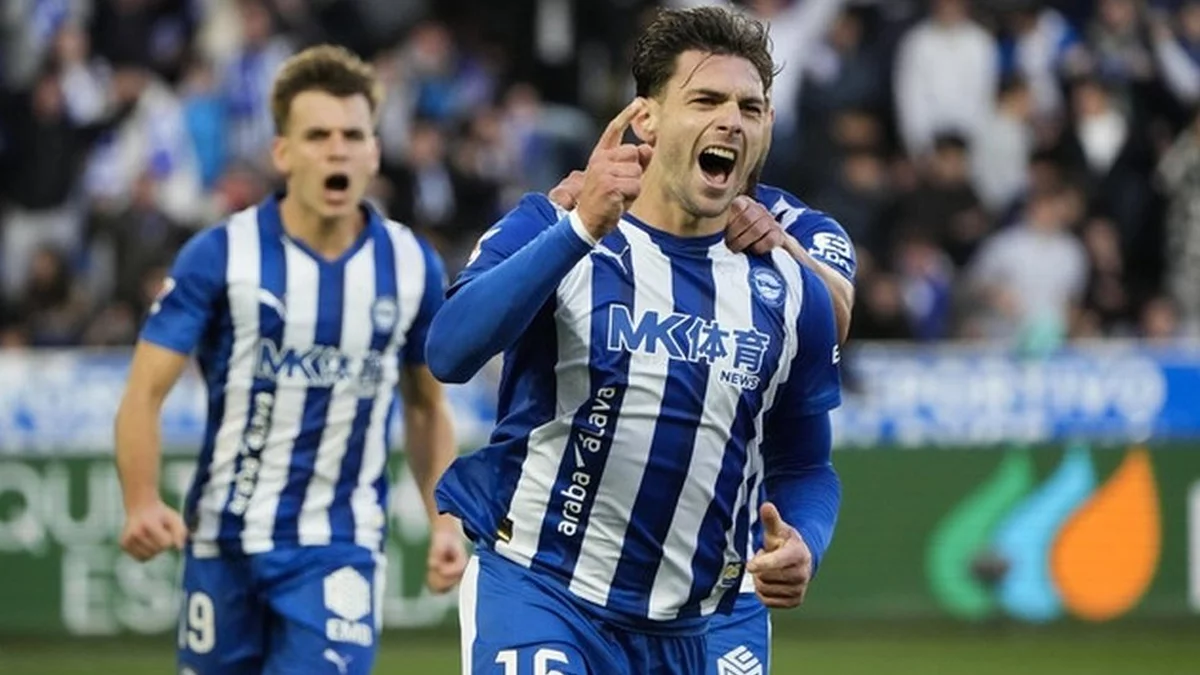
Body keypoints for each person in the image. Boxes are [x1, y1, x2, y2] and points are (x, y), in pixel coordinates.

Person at [428, 7, 843, 674]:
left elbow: (806, 463)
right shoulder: (552, 223)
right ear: (645, 119)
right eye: (705, 100)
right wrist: (580, 228)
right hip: (542, 592)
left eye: (749, 108)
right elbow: (448, 351)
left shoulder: (791, 288)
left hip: (696, 625)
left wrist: (805, 543)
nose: (730, 121)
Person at [113, 45, 467, 675]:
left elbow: (426, 406)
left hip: (339, 545)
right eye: (317, 136)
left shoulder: (411, 264)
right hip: (223, 542)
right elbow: (143, 393)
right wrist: (141, 501)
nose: (337, 151)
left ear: (374, 153)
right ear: (283, 153)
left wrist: (444, 521)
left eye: (352, 136)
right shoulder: (220, 255)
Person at [547, 172, 858, 675]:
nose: (731, 130)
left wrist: (785, 251)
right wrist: (558, 228)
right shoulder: (598, 206)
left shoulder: (801, 227)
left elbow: (836, 320)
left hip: (724, 588)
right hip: (568, 577)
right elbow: (459, 344)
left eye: (753, 120)